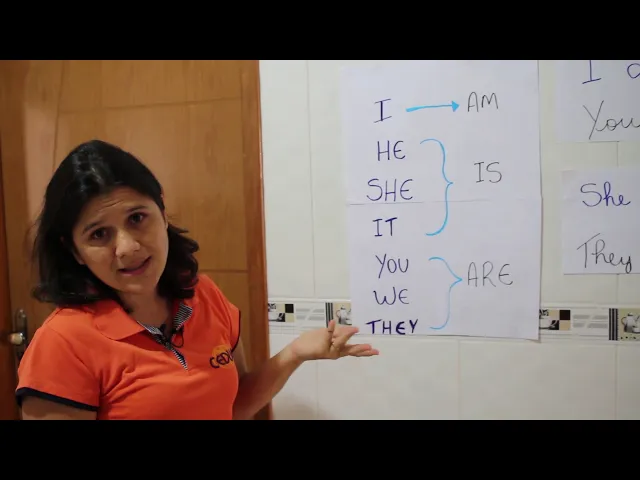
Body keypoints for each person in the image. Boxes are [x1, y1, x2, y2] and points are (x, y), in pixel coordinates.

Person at [15, 139, 379, 420]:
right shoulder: (63, 342)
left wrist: (294, 354)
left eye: (137, 218)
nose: (127, 248)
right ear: (75, 250)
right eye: (99, 234)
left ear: (162, 210)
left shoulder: (202, 294)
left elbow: (233, 406)